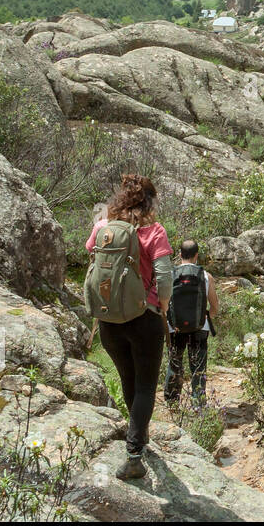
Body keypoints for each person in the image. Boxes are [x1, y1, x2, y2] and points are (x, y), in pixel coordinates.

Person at [85, 174, 173, 481]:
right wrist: (161, 305)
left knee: (128, 379)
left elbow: (91, 253)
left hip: (109, 319)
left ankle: (139, 439)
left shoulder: (102, 227)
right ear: (149, 201)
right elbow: (164, 278)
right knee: (147, 386)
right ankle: (134, 453)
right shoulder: (155, 231)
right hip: (144, 317)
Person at [164, 239, 218, 406]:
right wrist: (207, 318)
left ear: (179, 254)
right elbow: (215, 306)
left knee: (175, 364)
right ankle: (198, 405)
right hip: (200, 327)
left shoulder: (169, 276)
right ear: (196, 255)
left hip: (175, 328)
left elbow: (164, 304)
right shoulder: (206, 276)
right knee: (199, 367)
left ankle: (172, 403)